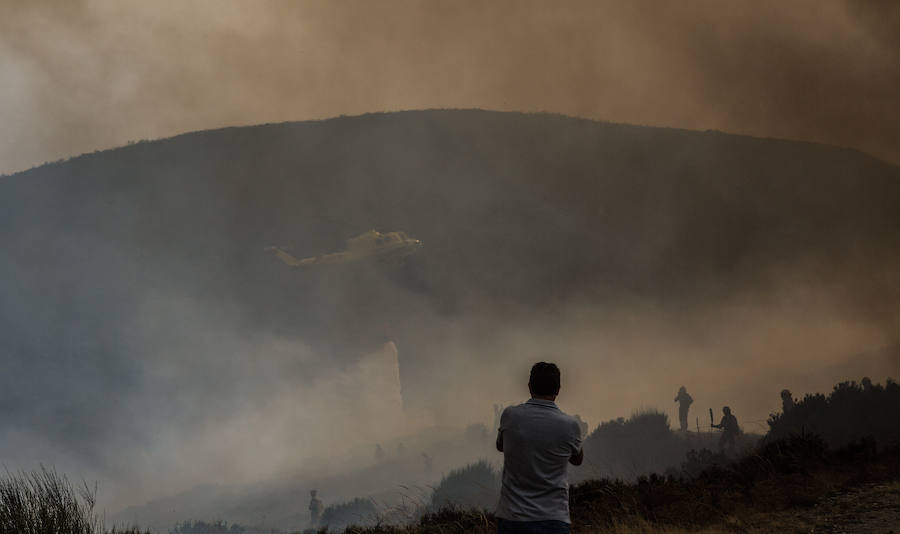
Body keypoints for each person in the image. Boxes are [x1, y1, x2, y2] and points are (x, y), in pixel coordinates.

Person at [495, 362, 583, 534]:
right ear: (558, 390)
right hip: (553, 520)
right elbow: (577, 459)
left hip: (513, 518)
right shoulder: (570, 425)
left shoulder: (510, 416)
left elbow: (501, 446)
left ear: (529, 387)